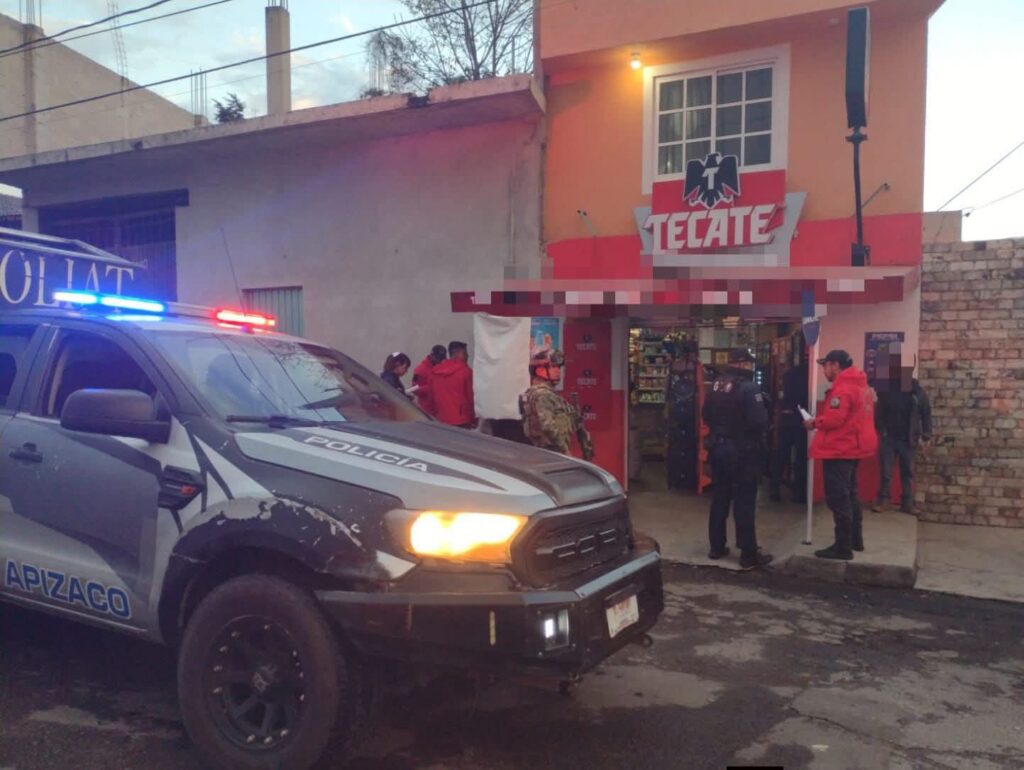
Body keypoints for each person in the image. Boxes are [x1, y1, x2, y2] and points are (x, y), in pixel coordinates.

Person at [702, 348, 773, 570]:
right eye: (750, 364)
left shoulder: (716, 385)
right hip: (743, 451)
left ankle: (716, 547)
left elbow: (706, 415)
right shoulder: (750, 388)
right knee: (744, 501)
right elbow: (760, 422)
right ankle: (748, 553)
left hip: (718, 448)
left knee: (720, 497)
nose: (751, 368)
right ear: (743, 364)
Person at [804, 350, 878, 560]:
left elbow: (835, 420)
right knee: (851, 494)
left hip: (840, 449)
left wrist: (814, 422)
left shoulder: (843, 389)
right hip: (854, 447)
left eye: (825, 365)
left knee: (838, 498)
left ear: (835, 365)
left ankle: (842, 547)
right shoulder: (861, 386)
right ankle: (855, 540)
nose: (824, 370)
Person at [873, 359, 933, 514]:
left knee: (908, 473)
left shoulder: (918, 392)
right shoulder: (887, 391)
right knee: (886, 473)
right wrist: (882, 430)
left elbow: (926, 414)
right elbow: (879, 412)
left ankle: (907, 504)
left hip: (909, 439)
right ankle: (883, 501)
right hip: (889, 438)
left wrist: (927, 434)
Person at [520, 350, 577, 455]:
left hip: (544, 452)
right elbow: (548, 426)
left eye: (558, 367)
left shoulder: (535, 393)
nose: (558, 371)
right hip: (550, 452)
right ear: (539, 370)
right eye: (553, 367)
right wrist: (564, 450)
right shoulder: (543, 395)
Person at [770, 361, 809, 503]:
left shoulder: (789, 374)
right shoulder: (809, 375)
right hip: (801, 418)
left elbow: (782, 394)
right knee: (800, 457)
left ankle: (774, 488)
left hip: (786, 417)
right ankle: (800, 492)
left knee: (781, 454)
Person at [431, 340, 477, 428]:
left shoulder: (435, 372)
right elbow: (470, 397)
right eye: (465, 353)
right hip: (462, 419)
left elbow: (432, 395)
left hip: (442, 418)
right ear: (459, 354)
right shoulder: (465, 372)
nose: (467, 356)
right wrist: (474, 419)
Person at [412, 344, 446, 415]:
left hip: (441, 410)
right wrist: (432, 387)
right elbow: (414, 389)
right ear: (432, 356)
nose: (440, 361)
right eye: (438, 358)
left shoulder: (444, 367)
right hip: (427, 411)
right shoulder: (420, 370)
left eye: (441, 359)